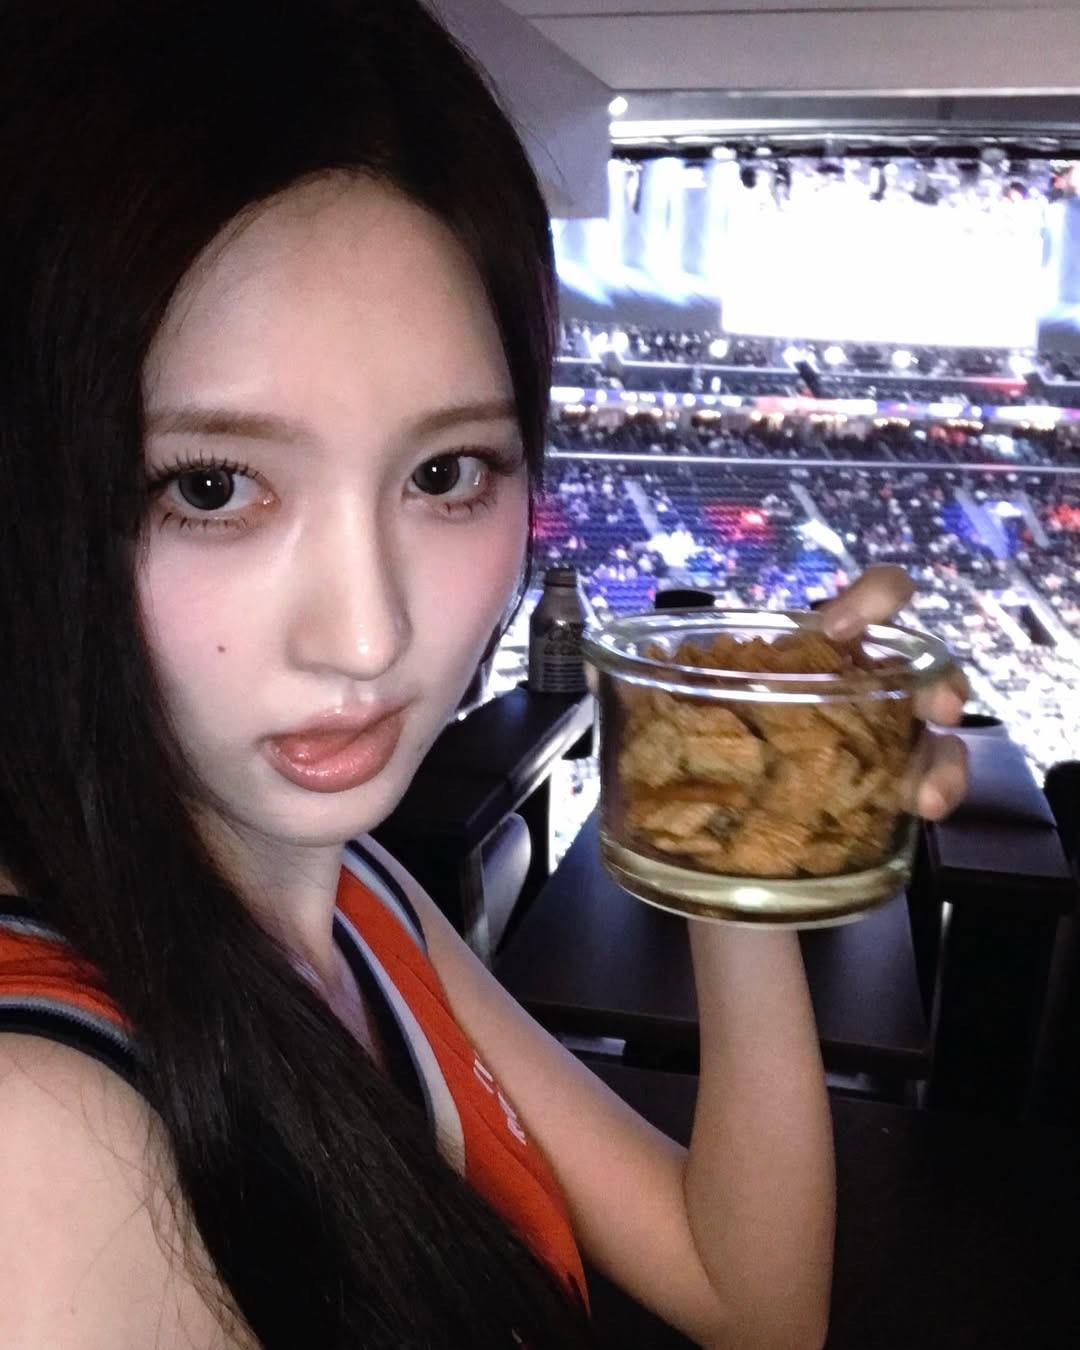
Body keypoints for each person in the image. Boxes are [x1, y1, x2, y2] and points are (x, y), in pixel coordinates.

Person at [0, 3, 971, 1347]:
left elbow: (749, 1295)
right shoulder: (44, 1147)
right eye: (213, 487)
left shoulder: (359, 901)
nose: (367, 637)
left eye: (446, 472)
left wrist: (747, 820)